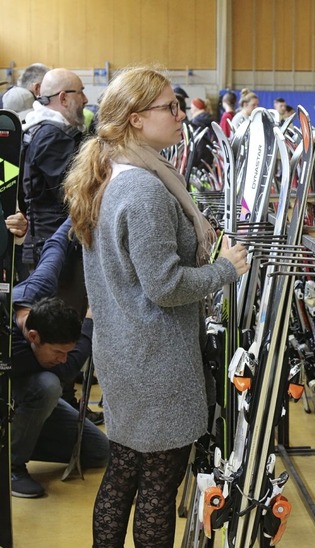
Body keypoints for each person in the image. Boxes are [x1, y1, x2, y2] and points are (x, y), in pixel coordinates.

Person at [63, 66, 250, 547]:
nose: (180, 113)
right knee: (157, 487)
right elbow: (165, 286)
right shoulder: (142, 188)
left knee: (125, 472)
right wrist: (226, 268)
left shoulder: (116, 173)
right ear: (136, 119)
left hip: (127, 351)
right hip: (155, 361)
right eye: (169, 106)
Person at [10, 218, 109, 498]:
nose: (63, 359)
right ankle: (12, 466)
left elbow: (54, 247)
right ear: (33, 337)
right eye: (58, 353)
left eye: (67, 350)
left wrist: (77, 212)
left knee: (97, 452)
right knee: (48, 384)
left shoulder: (37, 290)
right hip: (11, 390)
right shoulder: (6, 336)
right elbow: (66, 370)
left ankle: (20, 437)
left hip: (27, 398)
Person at [21, 68, 87, 269]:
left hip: (47, 244)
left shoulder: (36, 128)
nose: (85, 99)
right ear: (63, 98)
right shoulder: (53, 136)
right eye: (81, 92)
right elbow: (73, 193)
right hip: (55, 248)